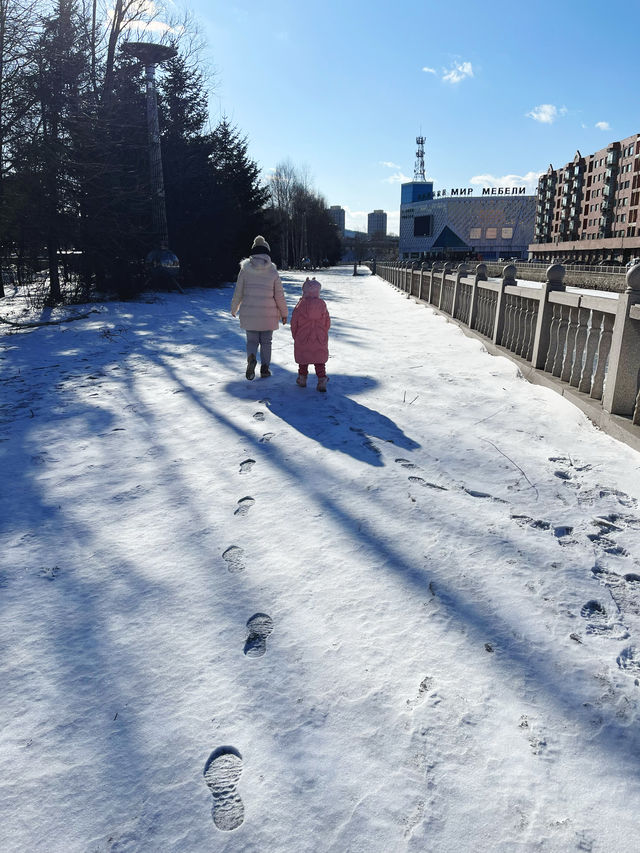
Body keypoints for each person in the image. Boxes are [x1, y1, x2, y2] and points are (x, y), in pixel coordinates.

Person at [231, 236, 288, 380]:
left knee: (251, 341)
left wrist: (234, 307)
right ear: (267, 254)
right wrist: (284, 313)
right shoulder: (273, 272)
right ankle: (265, 368)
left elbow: (239, 291)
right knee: (266, 342)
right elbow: (279, 295)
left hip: (249, 314)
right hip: (268, 315)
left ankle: (251, 359)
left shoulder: (244, 270)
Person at [290, 277, 331, 392]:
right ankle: (322, 379)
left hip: (303, 337)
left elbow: (294, 322)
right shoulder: (322, 304)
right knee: (319, 360)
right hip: (320, 336)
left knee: (303, 358)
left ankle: (302, 378)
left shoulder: (300, 305)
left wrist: (295, 335)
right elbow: (327, 321)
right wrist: (324, 332)